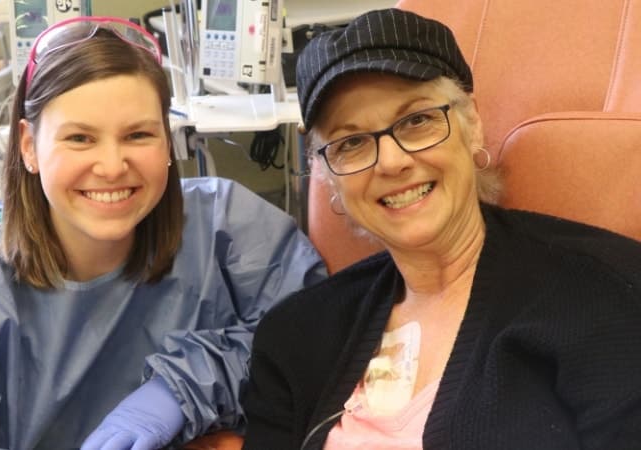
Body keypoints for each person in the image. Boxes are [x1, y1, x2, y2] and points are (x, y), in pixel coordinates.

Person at [0, 16, 327, 450]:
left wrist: (181, 390)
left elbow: (314, 335)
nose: (112, 166)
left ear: (167, 143)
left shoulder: (228, 230)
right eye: (79, 138)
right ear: (29, 147)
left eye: (137, 134)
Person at [240, 8, 641, 450]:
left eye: (416, 120)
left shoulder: (604, 298)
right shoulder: (296, 337)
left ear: (471, 124)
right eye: (351, 142)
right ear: (330, 176)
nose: (392, 162)